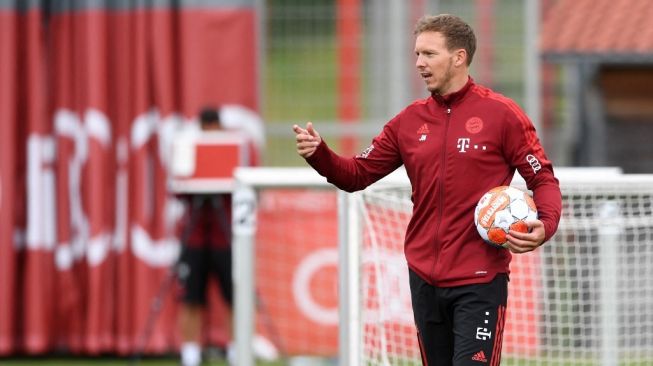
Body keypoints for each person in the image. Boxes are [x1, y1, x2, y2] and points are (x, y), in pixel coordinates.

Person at [293, 14, 561, 365]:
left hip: (479, 280)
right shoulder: (408, 121)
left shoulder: (502, 115)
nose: (419, 63)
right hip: (423, 279)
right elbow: (356, 174)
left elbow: (543, 179)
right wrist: (321, 155)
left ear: (459, 57)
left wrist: (546, 224)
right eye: (417, 54)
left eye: (429, 54)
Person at [176, 107, 277, 366]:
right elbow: (178, 188)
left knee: (234, 296)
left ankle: (236, 350)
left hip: (227, 236)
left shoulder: (237, 147)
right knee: (191, 298)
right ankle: (190, 354)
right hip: (195, 235)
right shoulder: (187, 147)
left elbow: (250, 182)